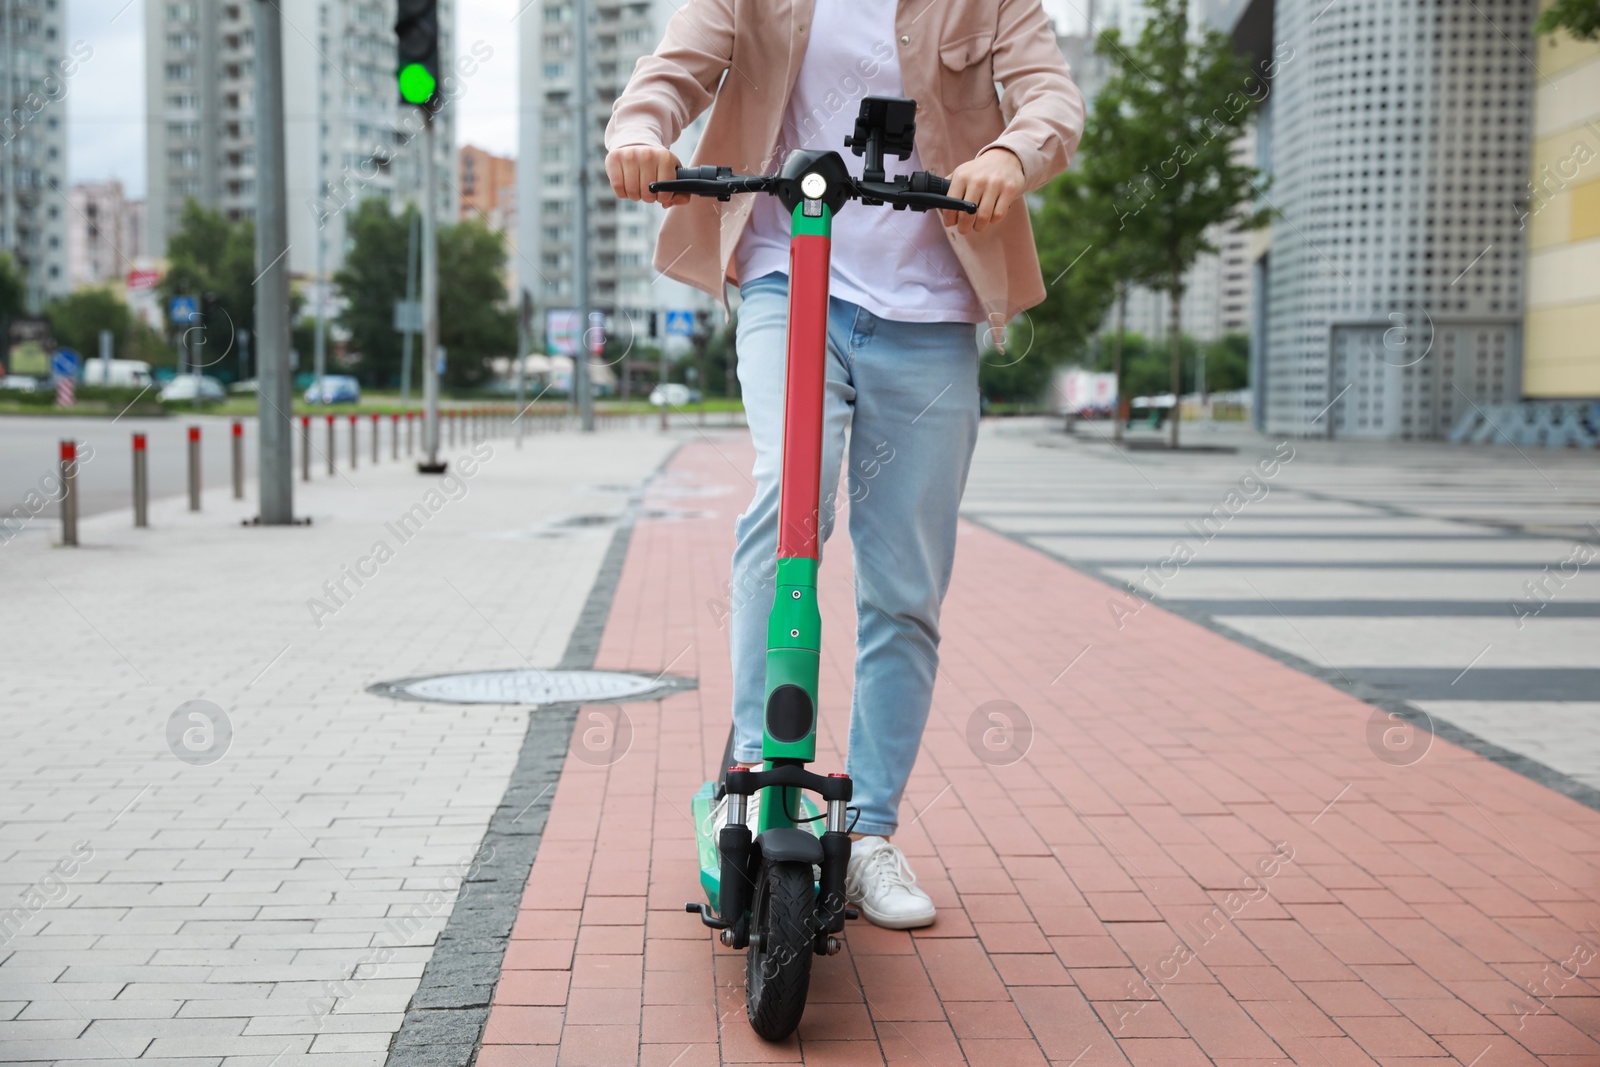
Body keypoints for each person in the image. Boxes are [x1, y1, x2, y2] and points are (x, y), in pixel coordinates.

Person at [605, 0, 1084, 929]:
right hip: (792, 274)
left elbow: (1051, 102)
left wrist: (1007, 156)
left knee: (904, 580)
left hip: (934, 307)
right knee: (788, 502)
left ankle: (867, 833)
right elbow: (673, 74)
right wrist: (638, 133)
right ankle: (756, 780)